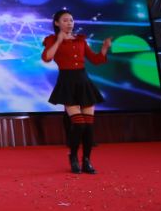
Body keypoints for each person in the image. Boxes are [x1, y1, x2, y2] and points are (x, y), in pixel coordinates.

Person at [42, 9, 111, 174]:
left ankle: (87, 161)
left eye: (71, 20)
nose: (69, 23)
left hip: (84, 82)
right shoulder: (51, 40)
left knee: (89, 126)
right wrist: (59, 40)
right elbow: (47, 58)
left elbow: (95, 60)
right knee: (79, 124)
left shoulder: (80, 40)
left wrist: (104, 49)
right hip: (67, 83)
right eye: (65, 20)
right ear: (57, 23)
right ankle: (73, 157)